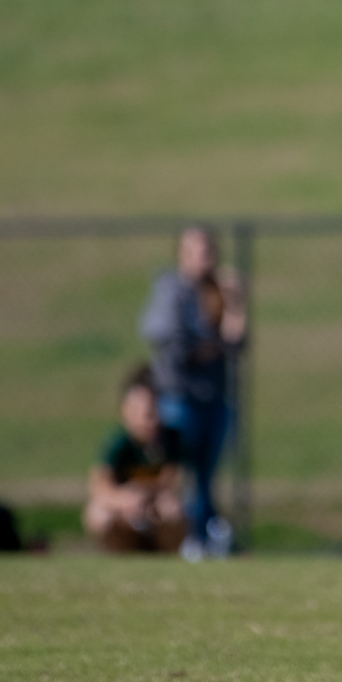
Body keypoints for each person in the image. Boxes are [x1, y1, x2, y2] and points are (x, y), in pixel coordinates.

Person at [141, 225, 246, 561]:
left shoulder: (216, 293)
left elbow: (236, 343)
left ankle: (204, 536)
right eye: (197, 251)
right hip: (179, 396)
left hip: (214, 397)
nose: (205, 258)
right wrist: (211, 347)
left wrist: (234, 304)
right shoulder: (172, 289)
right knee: (180, 472)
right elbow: (171, 342)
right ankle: (191, 535)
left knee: (205, 473)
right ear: (182, 254)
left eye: (209, 251)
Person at [85, 365, 189, 553]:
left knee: (172, 510)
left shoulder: (169, 440)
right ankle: (121, 556)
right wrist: (125, 500)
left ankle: (166, 557)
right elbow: (99, 486)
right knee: (99, 516)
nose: (153, 420)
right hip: (124, 511)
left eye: (156, 411)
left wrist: (145, 497)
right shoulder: (118, 444)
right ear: (127, 411)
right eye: (147, 413)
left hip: (152, 508)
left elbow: (171, 480)